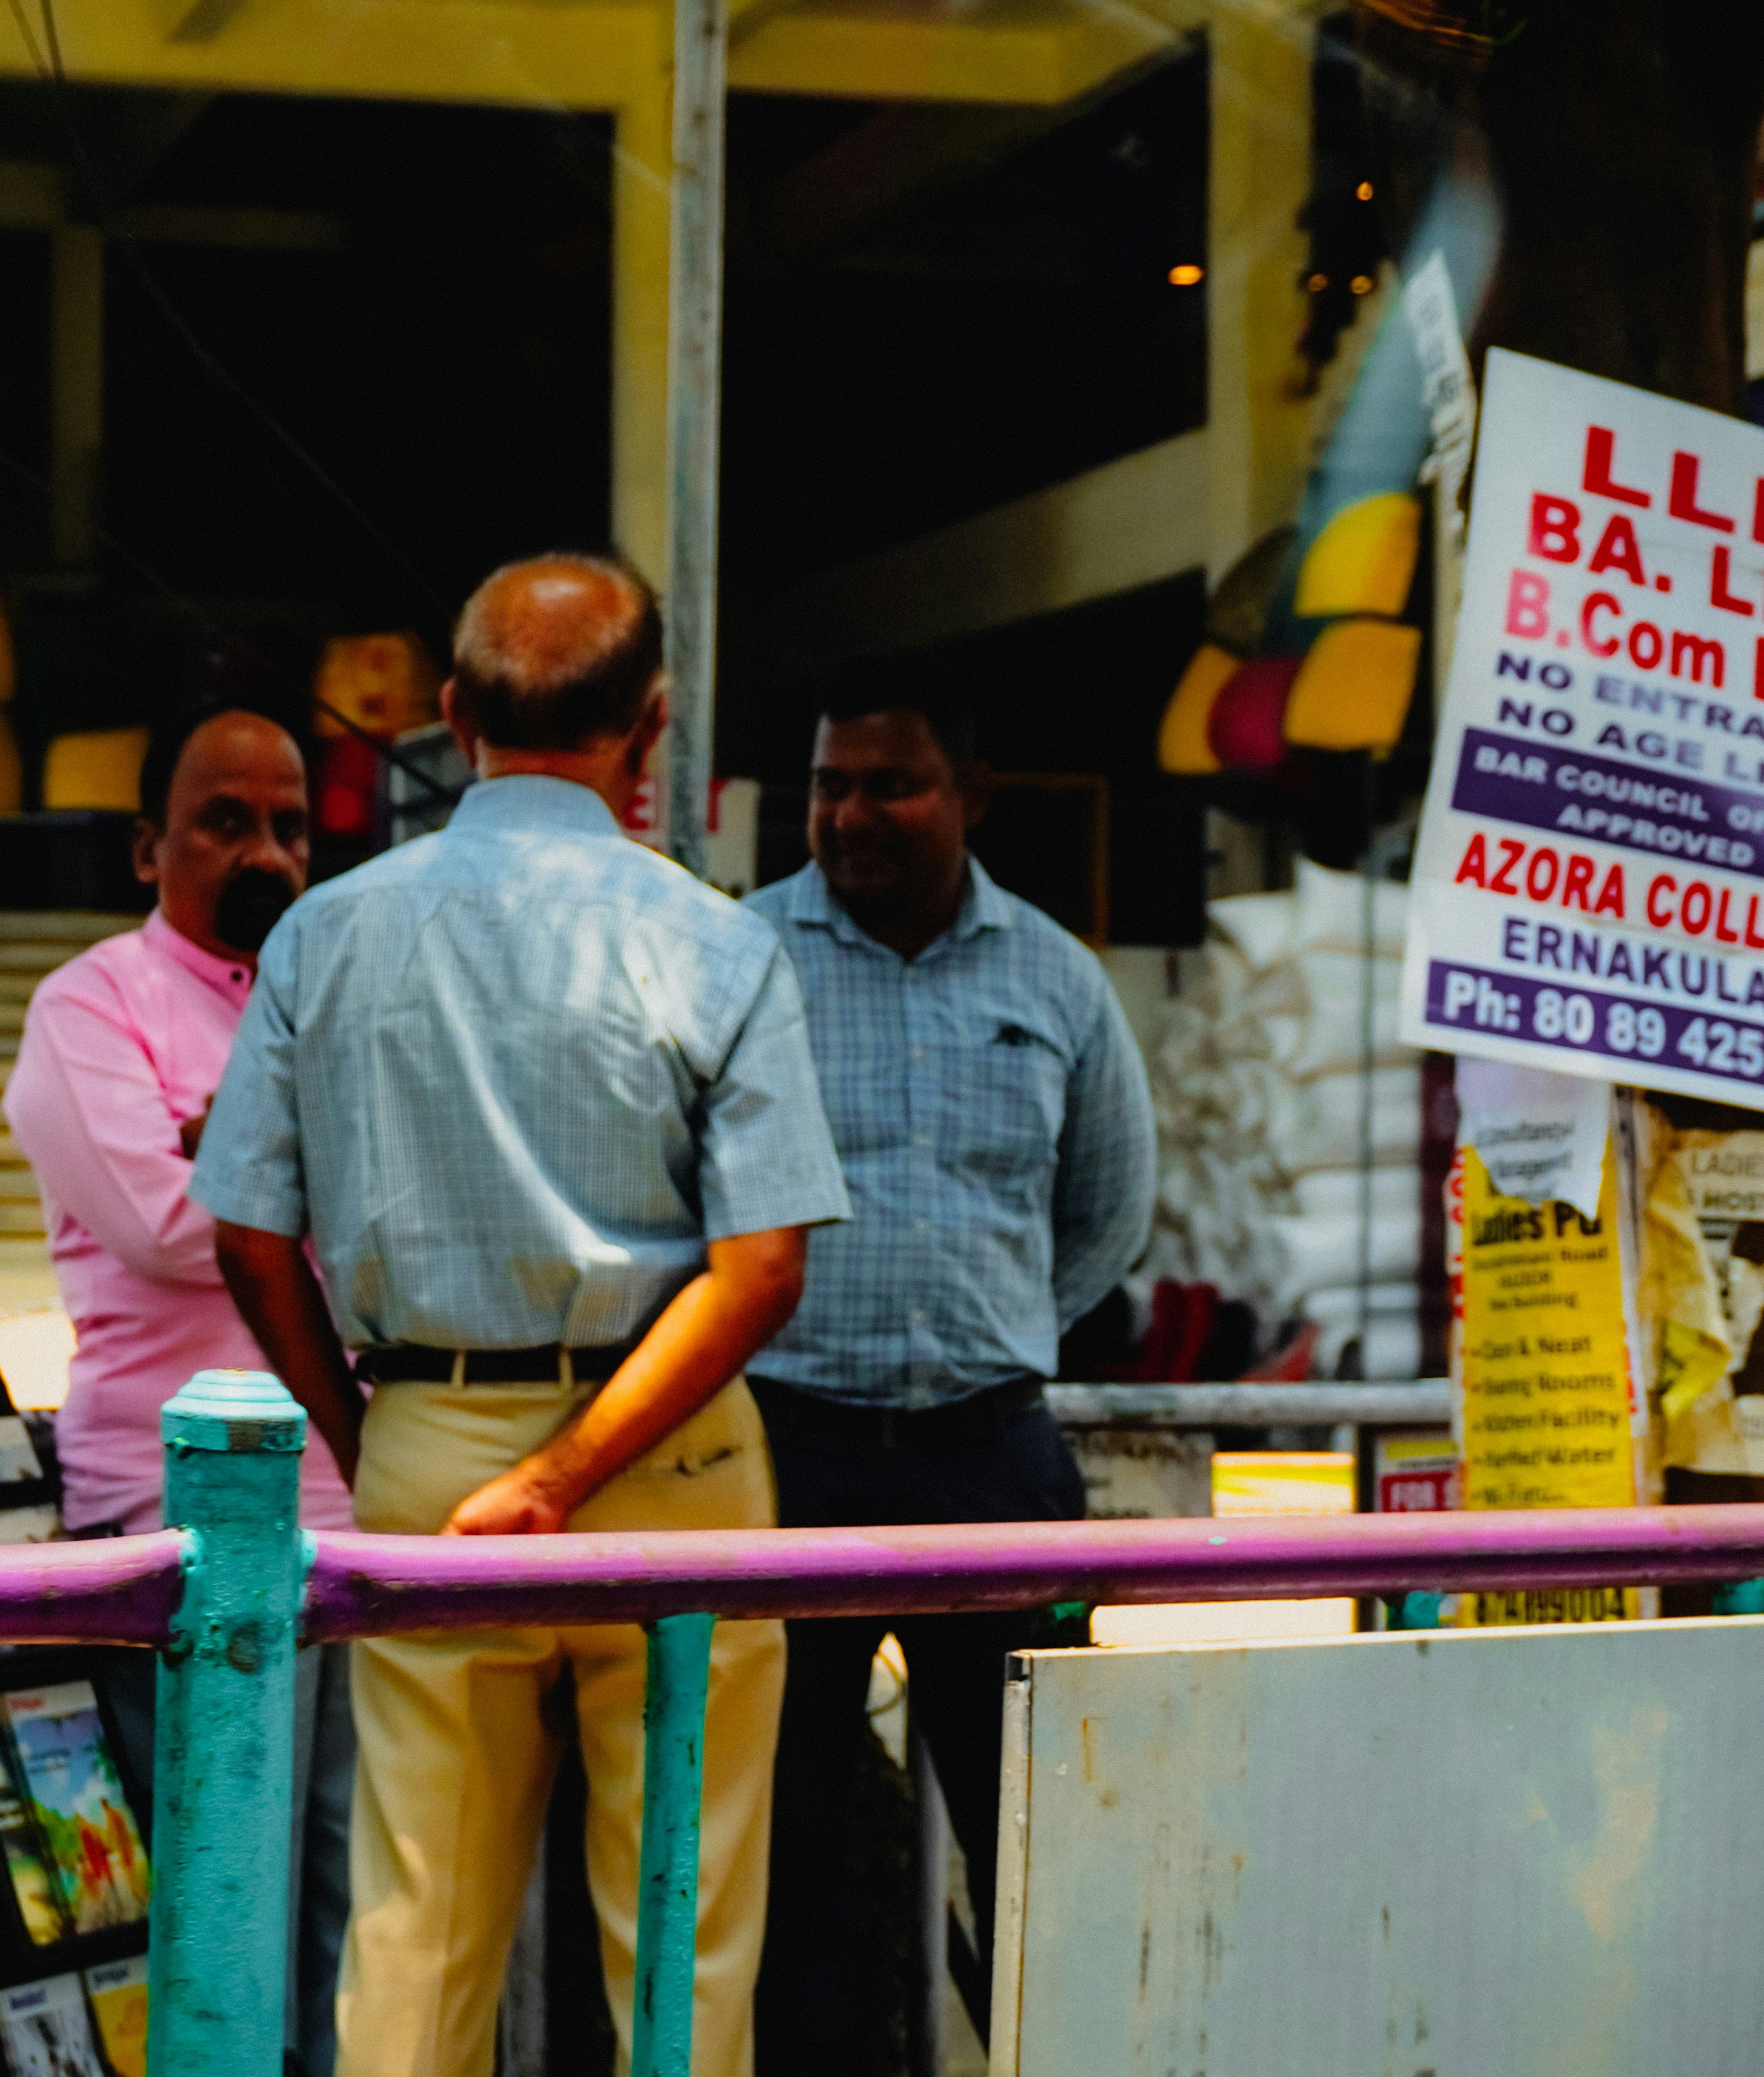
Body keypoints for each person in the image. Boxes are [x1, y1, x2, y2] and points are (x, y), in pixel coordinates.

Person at [194, 553, 849, 2077]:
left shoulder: (328, 931)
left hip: (425, 1449)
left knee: (413, 1931)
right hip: (675, 1457)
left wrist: (373, 1436)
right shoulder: (718, 939)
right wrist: (562, 1476)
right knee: (688, 1942)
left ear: (449, 713)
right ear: (652, 725)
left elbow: (245, 1231)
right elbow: (758, 1269)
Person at [742, 679, 1155, 2073]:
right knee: (782, 1832)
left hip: (994, 1464)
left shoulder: (1054, 978)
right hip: (789, 1456)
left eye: (889, 783)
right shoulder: (739, 961)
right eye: (828, 783)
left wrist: (986, 1338)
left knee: (1041, 1819)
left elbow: (1106, 1210)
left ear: (972, 795)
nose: (849, 814)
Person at [1, 699, 358, 2077]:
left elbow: (383, 1227)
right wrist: (304, 1153)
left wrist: (237, 1141)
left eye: (286, 823)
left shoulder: (330, 995)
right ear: (151, 847)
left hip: (349, 1508)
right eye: (222, 819)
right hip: (171, 1518)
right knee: (218, 1891)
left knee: (341, 1894)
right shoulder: (90, 1003)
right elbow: (164, 1224)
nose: (261, 850)